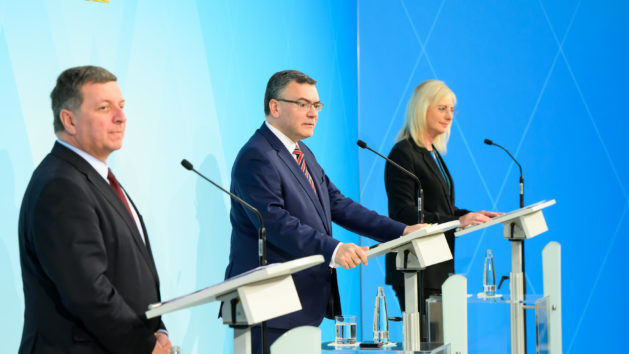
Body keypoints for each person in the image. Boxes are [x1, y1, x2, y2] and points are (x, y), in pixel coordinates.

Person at [225, 70, 425, 353]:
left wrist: (401, 231)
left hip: (301, 300)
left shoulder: (301, 151)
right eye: (303, 104)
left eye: (316, 106)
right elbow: (275, 223)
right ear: (275, 106)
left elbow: (338, 204)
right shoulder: (257, 156)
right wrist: (334, 249)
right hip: (270, 305)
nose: (313, 113)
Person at [18, 66, 171, 354]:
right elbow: (87, 291)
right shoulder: (60, 186)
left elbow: (131, 275)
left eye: (122, 106)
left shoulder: (93, 178)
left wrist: (157, 329)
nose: (121, 117)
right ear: (69, 120)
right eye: (104, 108)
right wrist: (144, 345)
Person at [384, 80, 501, 320]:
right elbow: (404, 214)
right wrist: (457, 221)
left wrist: (471, 216)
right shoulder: (403, 153)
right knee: (427, 343)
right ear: (422, 108)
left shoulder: (432, 152)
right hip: (415, 266)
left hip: (438, 264)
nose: (449, 116)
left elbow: (440, 208)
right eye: (442, 108)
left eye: (452, 109)